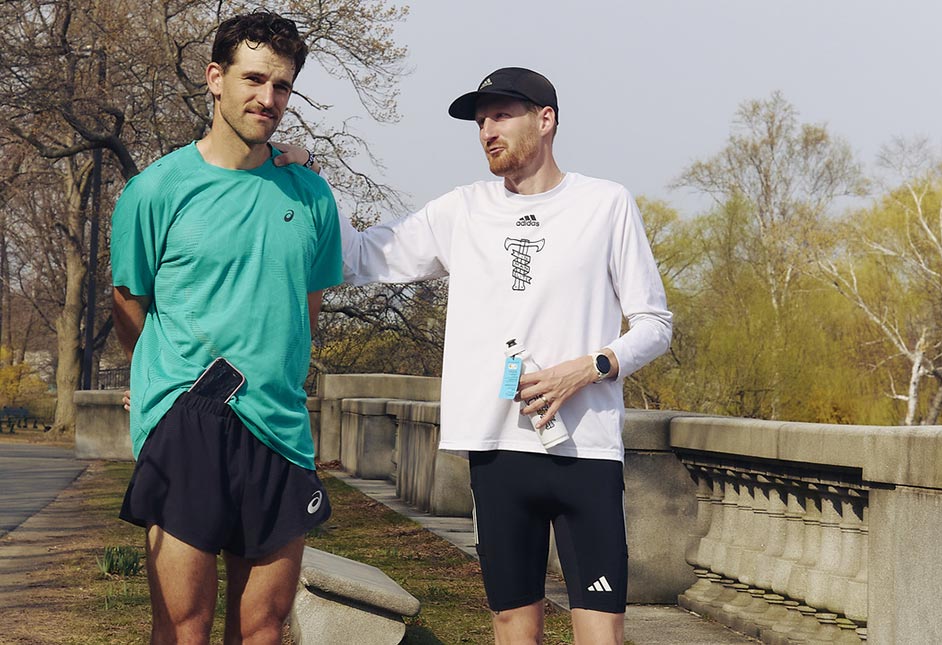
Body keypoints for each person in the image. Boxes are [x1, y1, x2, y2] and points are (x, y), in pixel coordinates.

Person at [329, 67, 673, 644]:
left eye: (502, 115)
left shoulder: (605, 204)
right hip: (496, 452)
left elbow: (655, 325)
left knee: (601, 632)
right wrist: (313, 177)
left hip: (585, 452)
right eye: (480, 120)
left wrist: (587, 369)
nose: (487, 130)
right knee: (513, 626)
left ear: (546, 119)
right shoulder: (461, 210)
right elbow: (357, 257)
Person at [109, 11, 342, 644]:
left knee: (263, 628)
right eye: (254, 79)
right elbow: (128, 301)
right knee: (183, 627)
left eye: (282, 85)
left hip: (280, 427)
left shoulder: (311, 196)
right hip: (189, 418)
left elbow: (306, 310)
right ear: (216, 78)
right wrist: (157, 377)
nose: (269, 98)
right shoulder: (156, 190)